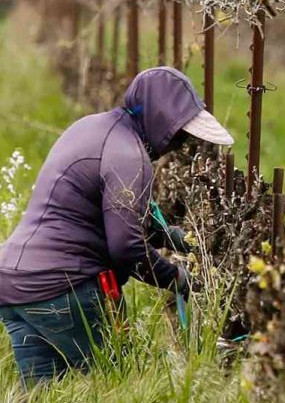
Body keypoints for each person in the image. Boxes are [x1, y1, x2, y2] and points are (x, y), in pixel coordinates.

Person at [0, 67, 234, 386]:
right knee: (119, 382)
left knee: (41, 396)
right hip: (63, 287)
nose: (178, 145)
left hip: (14, 285)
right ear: (161, 122)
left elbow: (102, 209)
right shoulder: (129, 157)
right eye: (179, 135)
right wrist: (175, 277)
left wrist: (171, 237)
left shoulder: (91, 128)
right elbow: (126, 247)